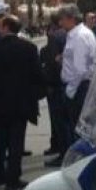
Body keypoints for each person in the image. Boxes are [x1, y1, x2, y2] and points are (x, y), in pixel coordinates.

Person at [0, 15, 46, 190]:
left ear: (6, 27)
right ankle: (13, 178)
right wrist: (36, 95)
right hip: (21, 104)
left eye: (0, 25)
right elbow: (37, 76)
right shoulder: (29, 49)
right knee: (16, 142)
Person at [47, 4, 96, 167]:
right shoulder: (76, 34)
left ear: (70, 19)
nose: (60, 23)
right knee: (76, 126)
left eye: (62, 19)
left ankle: (78, 163)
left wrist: (70, 90)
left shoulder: (79, 36)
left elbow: (80, 69)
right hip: (78, 86)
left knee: (76, 127)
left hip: (77, 87)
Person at [40, 13, 68, 158]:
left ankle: (60, 148)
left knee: (58, 120)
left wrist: (48, 83)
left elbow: (52, 63)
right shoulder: (69, 35)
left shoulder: (56, 37)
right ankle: (59, 145)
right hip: (66, 83)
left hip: (56, 85)